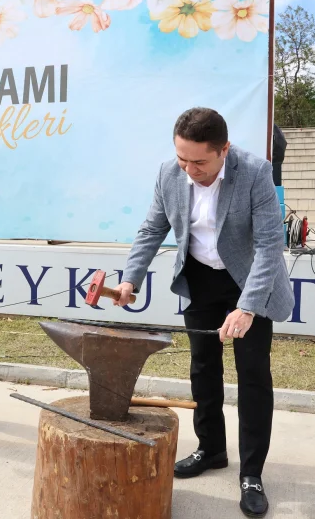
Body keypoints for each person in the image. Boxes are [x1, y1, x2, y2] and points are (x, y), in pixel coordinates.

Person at [115, 108, 294, 518]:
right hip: (201, 278)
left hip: (249, 279)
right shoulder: (169, 173)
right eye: (182, 159)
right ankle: (211, 449)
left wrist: (248, 307)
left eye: (199, 161)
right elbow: (151, 228)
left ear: (224, 150)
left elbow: (269, 246)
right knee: (202, 369)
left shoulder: (255, 172)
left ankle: (251, 473)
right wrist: (130, 279)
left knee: (252, 376)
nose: (189, 169)